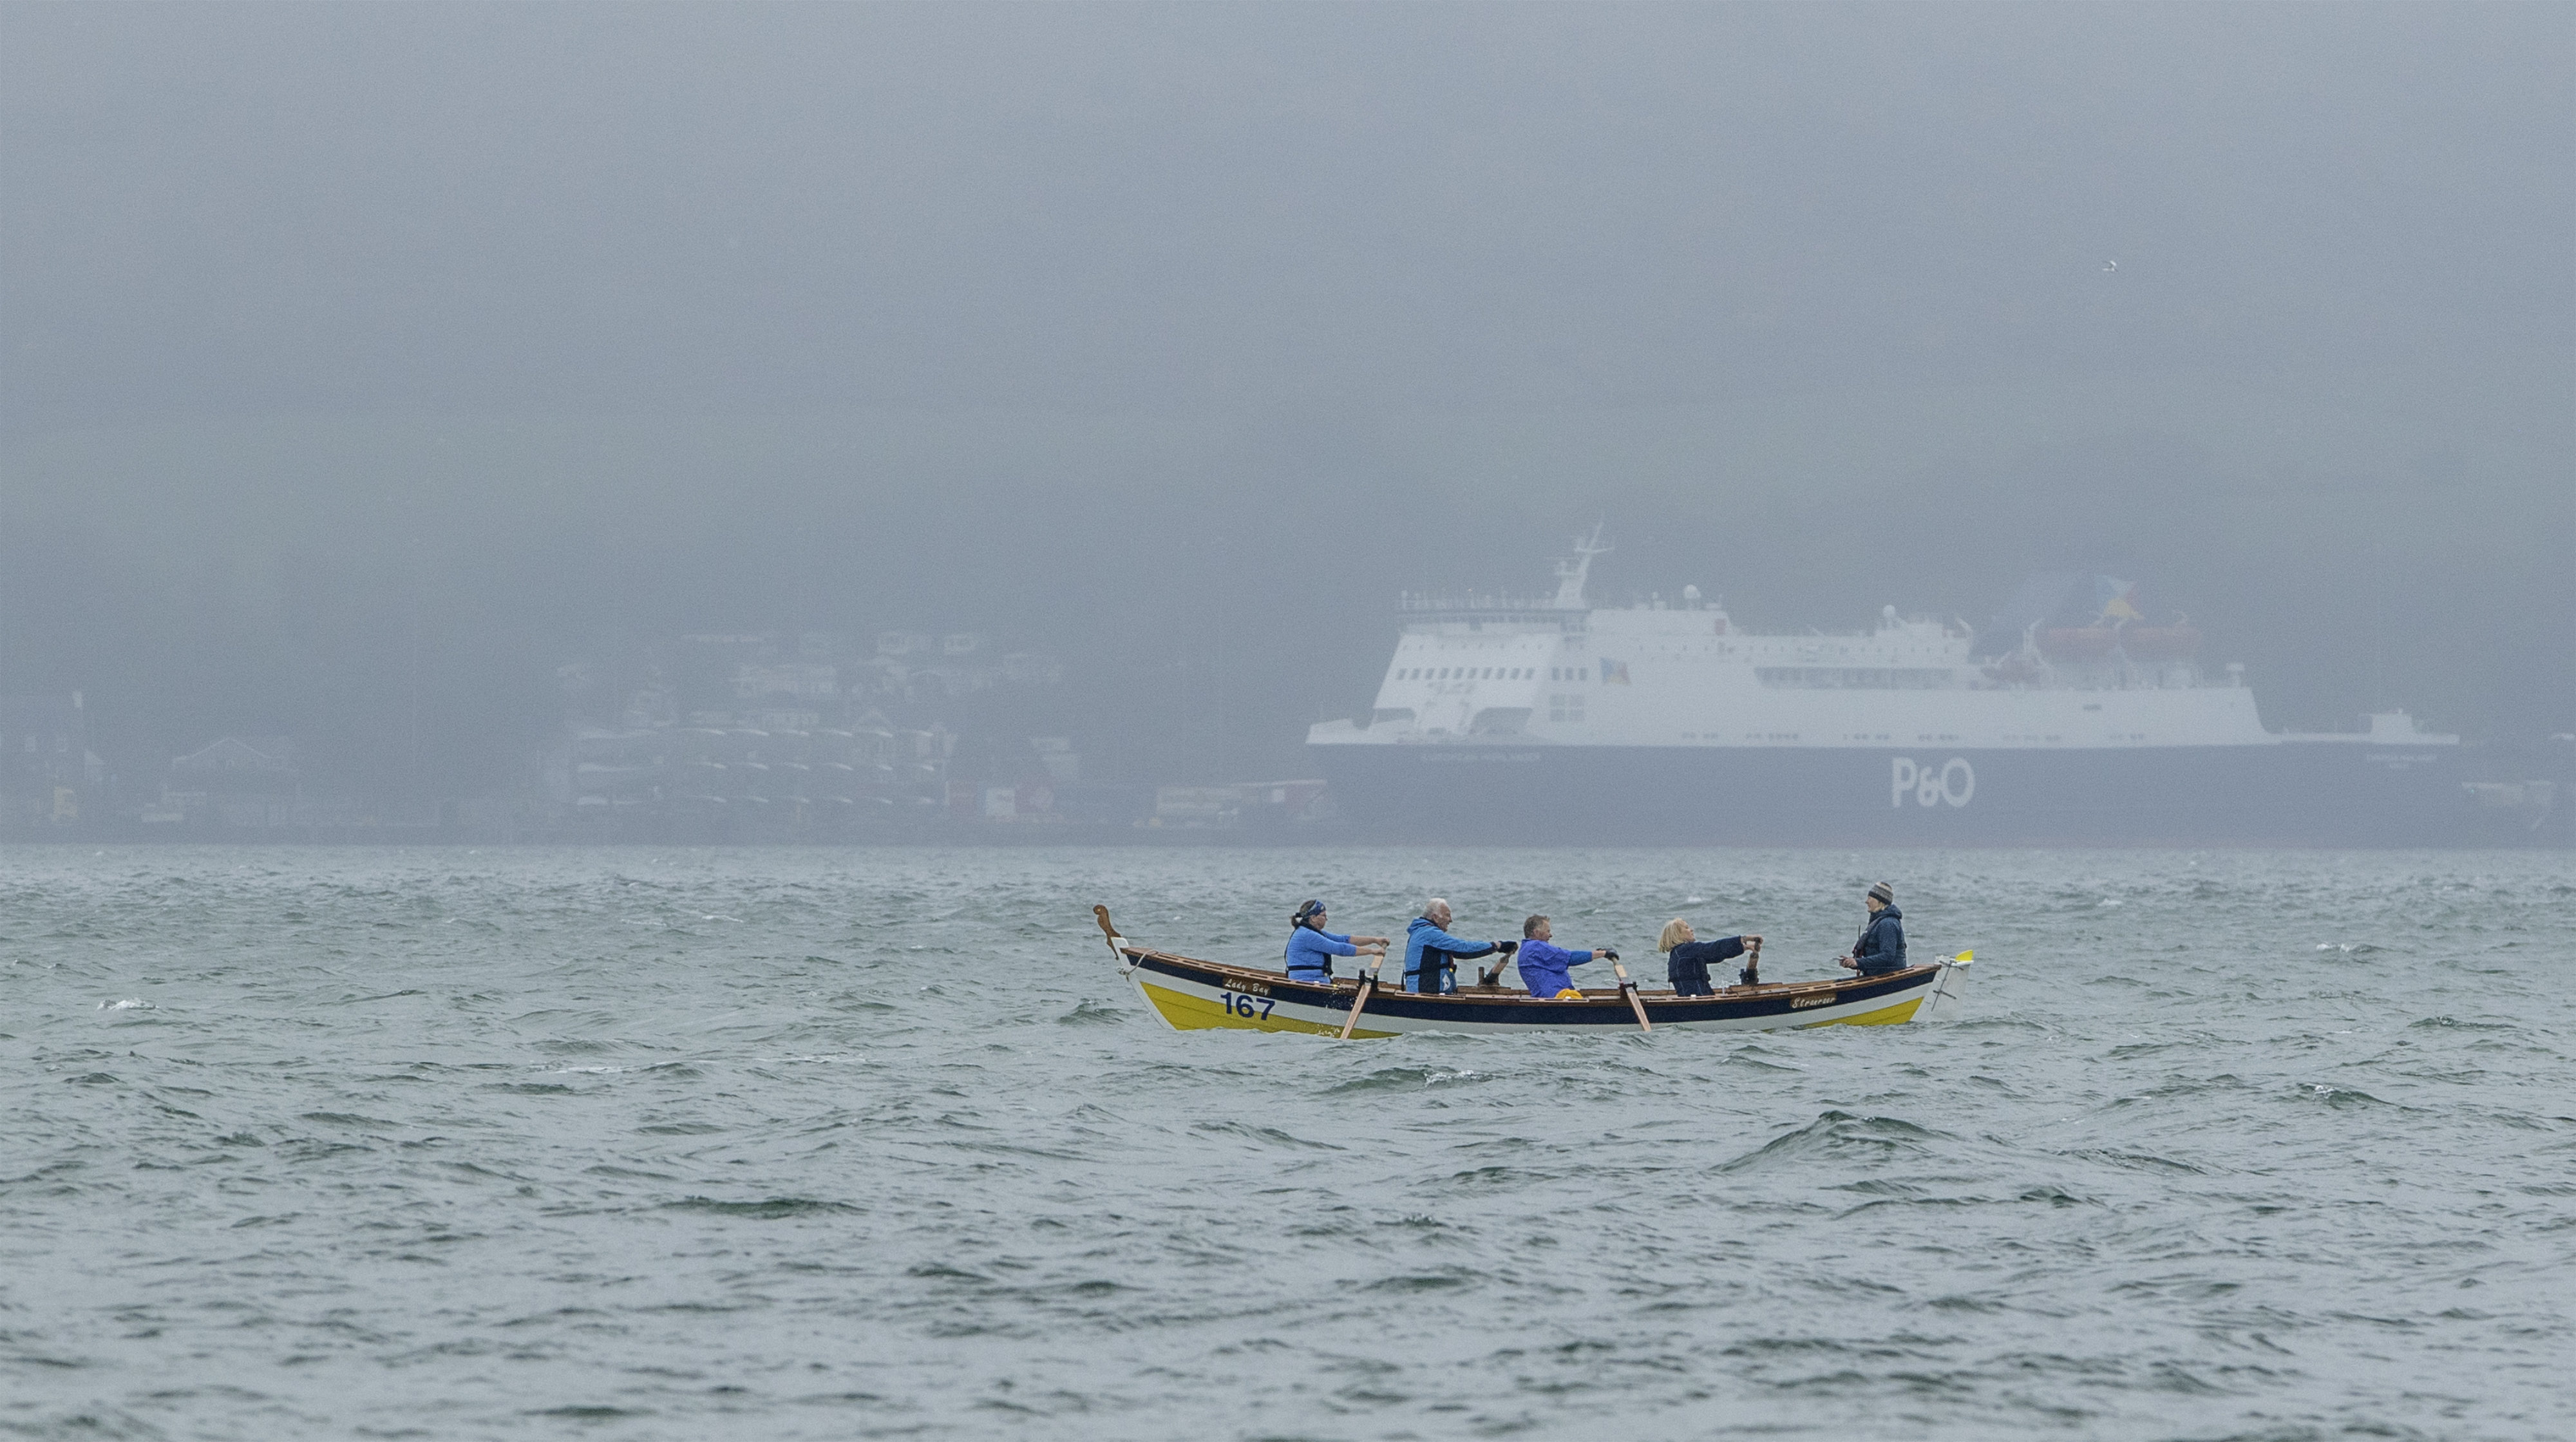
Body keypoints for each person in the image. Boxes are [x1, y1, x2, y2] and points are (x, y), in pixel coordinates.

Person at [1402, 898, 1507, 994]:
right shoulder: (1429, 933)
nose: (1450, 920)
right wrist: (1497, 946)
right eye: (1447, 915)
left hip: (1422, 990)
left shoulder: (1420, 931)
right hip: (1425, 993)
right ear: (1435, 917)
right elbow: (1464, 949)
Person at [1282, 900, 1387, 984]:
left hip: (1318, 981)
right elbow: (1340, 949)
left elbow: (1344, 940)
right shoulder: (1307, 935)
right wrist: (1372, 951)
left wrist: (1375, 940)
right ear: (1313, 918)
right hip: (1306, 983)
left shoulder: (1313, 933)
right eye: (1324, 915)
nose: (1326, 919)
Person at [1657, 919, 1763, 996]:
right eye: (1687, 928)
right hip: (1698, 1002)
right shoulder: (1685, 951)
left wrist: (1744, 947)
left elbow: (1716, 955)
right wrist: (1745, 939)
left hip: (1703, 996)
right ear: (1677, 935)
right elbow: (1715, 948)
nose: (1691, 930)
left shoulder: (1683, 953)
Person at [1511, 915, 1604, 1000]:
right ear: (1537, 933)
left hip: (1552, 996)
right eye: (1548, 931)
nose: (1551, 935)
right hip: (1556, 997)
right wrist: (1602, 954)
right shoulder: (1536, 947)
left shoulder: (1527, 948)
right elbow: (1571, 958)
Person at [1836, 882, 1907, 976]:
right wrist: (1854, 963)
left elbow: (1888, 956)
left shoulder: (1888, 924)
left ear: (1879, 901)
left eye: (1870, 898)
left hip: (1888, 977)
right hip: (1874, 975)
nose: (1867, 902)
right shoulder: (1879, 921)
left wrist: (1859, 962)